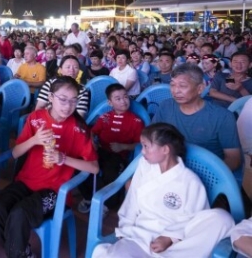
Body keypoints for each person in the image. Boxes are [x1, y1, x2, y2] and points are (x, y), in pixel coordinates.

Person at [0, 76, 99, 258]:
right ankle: (20, 252)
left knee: (19, 214)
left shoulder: (78, 128)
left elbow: (94, 168)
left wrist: (63, 158)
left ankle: (18, 254)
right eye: (63, 99)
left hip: (55, 191)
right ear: (50, 97)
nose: (68, 106)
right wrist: (34, 140)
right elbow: (16, 153)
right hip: (26, 182)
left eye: (74, 101)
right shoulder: (35, 118)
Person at [92, 122, 235, 258]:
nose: (142, 151)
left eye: (146, 146)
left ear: (165, 149)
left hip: (174, 244)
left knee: (222, 219)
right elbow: (132, 199)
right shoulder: (145, 166)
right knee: (116, 255)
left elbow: (193, 220)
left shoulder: (190, 181)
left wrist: (169, 237)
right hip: (140, 235)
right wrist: (125, 226)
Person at [151, 63, 241, 171]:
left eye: (182, 86)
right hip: (169, 170)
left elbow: (233, 159)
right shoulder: (165, 106)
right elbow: (153, 139)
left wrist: (204, 177)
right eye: (172, 85)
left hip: (206, 174)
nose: (175, 91)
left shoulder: (223, 117)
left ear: (200, 88)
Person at [78, 84, 145, 213]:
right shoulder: (105, 117)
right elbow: (93, 132)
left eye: (125, 97)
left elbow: (140, 144)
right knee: (80, 164)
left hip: (118, 156)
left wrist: (123, 146)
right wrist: (93, 142)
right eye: (118, 98)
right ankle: (88, 197)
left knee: (111, 172)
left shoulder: (136, 121)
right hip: (100, 151)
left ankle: (107, 204)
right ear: (110, 102)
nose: (123, 101)